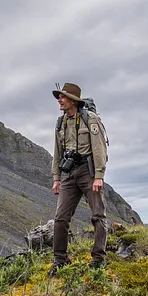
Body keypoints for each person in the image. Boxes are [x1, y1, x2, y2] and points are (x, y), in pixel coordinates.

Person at [49, 82, 108, 274]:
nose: (59, 100)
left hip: (88, 171)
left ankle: (98, 259)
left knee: (98, 215)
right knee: (60, 219)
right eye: (59, 97)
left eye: (63, 97)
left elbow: (99, 147)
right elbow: (57, 152)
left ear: (73, 101)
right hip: (68, 173)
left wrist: (99, 175)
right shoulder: (61, 122)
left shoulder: (90, 119)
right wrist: (57, 177)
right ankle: (60, 260)